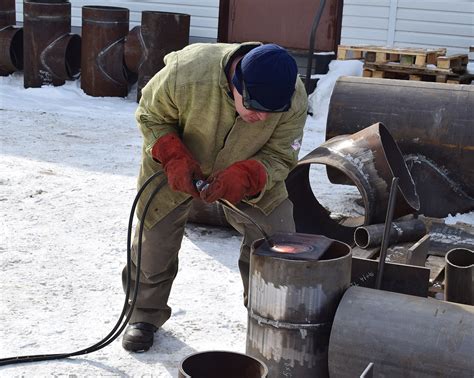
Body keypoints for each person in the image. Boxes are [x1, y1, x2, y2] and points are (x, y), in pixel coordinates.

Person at [121, 42, 308, 352]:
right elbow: (150, 114)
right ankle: (143, 314)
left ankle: (268, 316)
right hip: (176, 162)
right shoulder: (187, 71)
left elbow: (281, 153)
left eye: (270, 111)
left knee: (279, 236)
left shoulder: (294, 96)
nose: (261, 117)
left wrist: (248, 176)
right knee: (154, 236)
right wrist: (173, 157)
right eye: (254, 105)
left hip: (248, 164)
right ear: (236, 82)